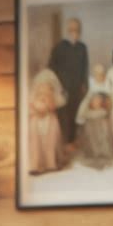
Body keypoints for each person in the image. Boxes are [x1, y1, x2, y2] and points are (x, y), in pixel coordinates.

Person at [48, 17, 88, 146]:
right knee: (63, 115)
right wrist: (56, 86)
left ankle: (72, 141)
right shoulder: (60, 47)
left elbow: (84, 67)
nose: (74, 32)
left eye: (76, 29)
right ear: (67, 30)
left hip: (76, 87)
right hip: (62, 87)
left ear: (79, 30)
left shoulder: (82, 47)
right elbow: (51, 67)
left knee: (75, 114)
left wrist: (84, 84)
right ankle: (63, 142)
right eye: (71, 29)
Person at [27, 70, 66, 174]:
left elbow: (52, 107)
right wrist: (36, 111)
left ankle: (50, 163)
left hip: (49, 120)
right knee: (35, 141)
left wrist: (48, 105)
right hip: (36, 121)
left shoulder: (52, 98)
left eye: (48, 89)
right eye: (41, 89)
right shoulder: (33, 98)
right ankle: (35, 165)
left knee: (50, 141)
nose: (44, 93)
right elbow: (30, 109)